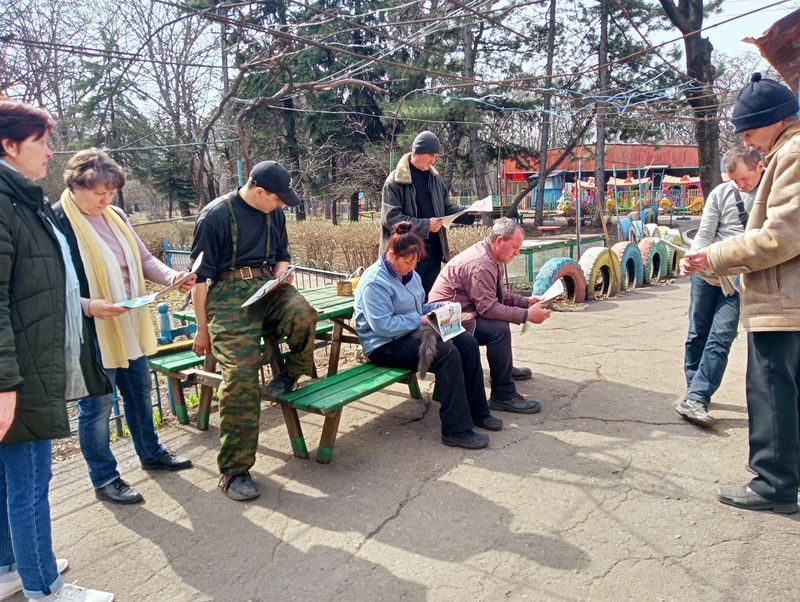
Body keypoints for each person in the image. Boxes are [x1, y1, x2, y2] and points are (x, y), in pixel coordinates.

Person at [0, 101, 115, 601]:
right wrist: (5, 382)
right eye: (40, 141)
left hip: (27, 362)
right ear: (9, 145)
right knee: (29, 483)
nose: (50, 151)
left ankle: (10, 567)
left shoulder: (18, 198)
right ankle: (45, 587)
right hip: (19, 371)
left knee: (11, 482)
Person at [683, 73, 800, 514]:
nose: (747, 141)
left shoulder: (792, 154)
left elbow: (781, 237)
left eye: (749, 131)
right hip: (781, 297)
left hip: (781, 300)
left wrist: (717, 256)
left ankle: (773, 482)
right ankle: (786, 475)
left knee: (770, 390)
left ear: (773, 121)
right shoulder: (783, 154)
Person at [52, 148, 195, 506]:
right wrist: (89, 306)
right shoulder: (56, 222)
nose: (106, 199)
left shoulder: (115, 215)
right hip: (92, 332)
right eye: (99, 192)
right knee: (97, 408)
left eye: (111, 192)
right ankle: (104, 478)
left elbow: (143, 260)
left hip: (129, 322)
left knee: (140, 392)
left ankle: (151, 452)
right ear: (75, 185)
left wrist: (173, 276)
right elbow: (51, 285)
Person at [190, 160, 318, 501]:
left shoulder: (273, 212)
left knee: (304, 314)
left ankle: (290, 374)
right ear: (259, 191)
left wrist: (281, 273)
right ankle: (234, 470)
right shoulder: (214, 217)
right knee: (241, 376)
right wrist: (202, 330)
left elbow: (282, 255)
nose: (280, 206)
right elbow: (199, 281)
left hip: (266, 285)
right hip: (226, 296)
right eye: (277, 199)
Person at [354, 222, 502, 449]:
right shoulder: (374, 282)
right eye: (407, 262)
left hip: (411, 332)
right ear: (391, 255)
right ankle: (455, 429)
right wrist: (420, 319)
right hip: (383, 344)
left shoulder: (411, 274)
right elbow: (382, 325)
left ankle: (478, 412)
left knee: (467, 342)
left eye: (416, 261)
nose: (412, 267)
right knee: (446, 354)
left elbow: (418, 307)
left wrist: (438, 307)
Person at [675, 146, 764, 428]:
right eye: (734, 180)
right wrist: (691, 260)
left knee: (721, 338)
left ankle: (697, 396)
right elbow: (705, 233)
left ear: (759, 167)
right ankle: (695, 388)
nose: (739, 186)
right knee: (696, 333)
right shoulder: (721, 193)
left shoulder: (770, 195)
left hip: (738, 281)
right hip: (706, 275)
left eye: (744, 180)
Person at [429, 218, 550, 414]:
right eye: (515, 247)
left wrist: (526, 302)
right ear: (500, 240)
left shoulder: (493, 256)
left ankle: (504, 371)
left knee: (500, 324)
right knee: (498, 330)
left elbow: (499, 296)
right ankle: (503, 395)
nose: (517, 253)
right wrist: (527, 315)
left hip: (462, 311)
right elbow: (489, 309)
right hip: (442, 319)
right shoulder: (481, 263)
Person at [381, 130, 468, 295]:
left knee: (429, 299)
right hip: (407, 255)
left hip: (433, 253)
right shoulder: (394, 182)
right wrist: (426, 225)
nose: (434, 160)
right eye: (431, 155)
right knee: (407, 299)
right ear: (418, 152)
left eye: (436, 156)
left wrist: (470, 212)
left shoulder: (435, 179)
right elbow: (391, 219)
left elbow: (446, 208)